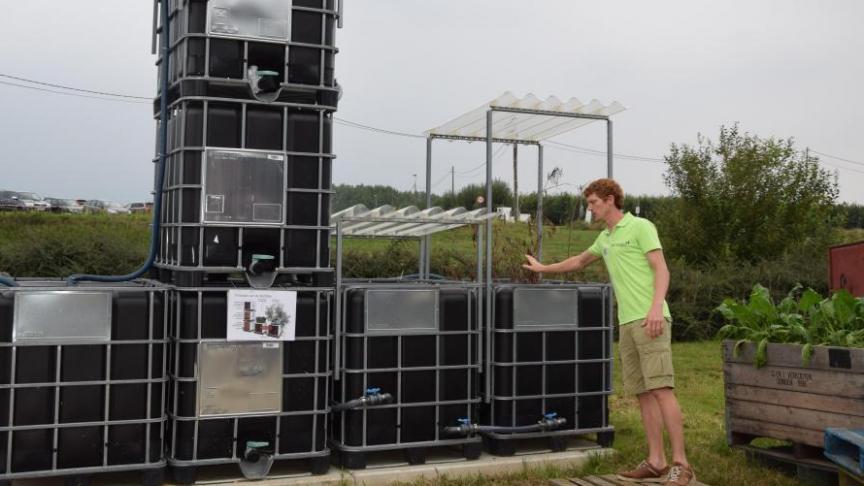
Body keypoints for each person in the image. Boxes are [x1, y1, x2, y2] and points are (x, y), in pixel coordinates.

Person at [522, 178, 694, 486]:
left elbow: (662, 268)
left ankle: (682, 464)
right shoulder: (606, 237)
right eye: (588, 204)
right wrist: (543, 269)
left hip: (651, 318)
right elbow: (579, 261)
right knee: (642, 393)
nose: (590, 208)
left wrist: (656, 308)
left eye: (593, 203)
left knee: (661, 390)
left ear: (610, 199)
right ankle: (656, 461)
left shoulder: (641, 226)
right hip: (628, 323)